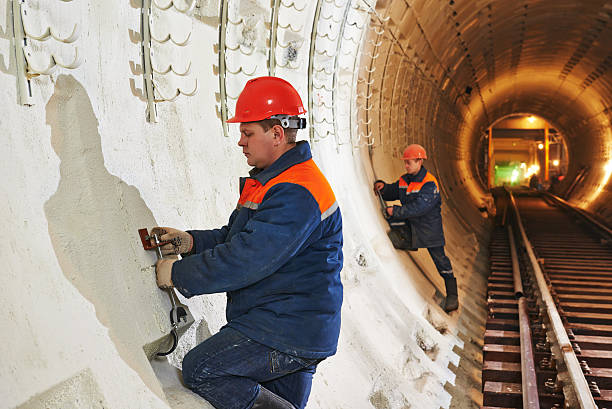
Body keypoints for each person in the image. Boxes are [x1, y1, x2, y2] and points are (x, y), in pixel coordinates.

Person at [152, 76, 343, 409]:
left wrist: (179, 275)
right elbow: (236, 238)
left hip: (286, 328)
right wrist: (190, 243)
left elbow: (247, 258)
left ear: (277, 134)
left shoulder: (298, 193)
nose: (241, 141)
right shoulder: (274, 180)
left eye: (248, 132)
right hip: (294, 322)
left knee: (203, 368)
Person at [373, 144, 458, 312]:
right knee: (391, 225)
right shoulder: (406, 180)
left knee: (441, 261)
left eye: (409, 163)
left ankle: (452, 295)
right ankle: (407, 242)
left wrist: (396, 210)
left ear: (420, 161)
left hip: (429, 230)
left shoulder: (429, 184)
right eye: (405, 163)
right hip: (412, 226)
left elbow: (419, 207)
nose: (406, 166)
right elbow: (394, 191)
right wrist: (383, 187)